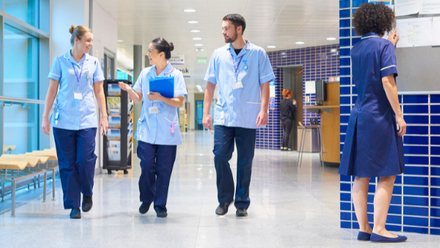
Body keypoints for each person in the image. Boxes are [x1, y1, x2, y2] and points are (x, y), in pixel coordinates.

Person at [338, 3, 407, 243]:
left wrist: (391, 46)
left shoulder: (356, 48)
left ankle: (365, 228)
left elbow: (369, 72)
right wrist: (399, 114)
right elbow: (387, 82)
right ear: (383, 22)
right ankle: (380, 228)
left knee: (361, 175)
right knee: (387, 173)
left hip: (359, 117)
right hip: (379, 117)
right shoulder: (384, 46)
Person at [203, 14, 274, 217]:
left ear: (239, 29)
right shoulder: (218, 54)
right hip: (223, 115)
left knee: (245, 160)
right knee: (219, 156)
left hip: (248, 115)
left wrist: (264, 109)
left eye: (227, 28)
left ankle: (242, 202)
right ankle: (225, 199)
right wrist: (206, 112)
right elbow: (210, 85)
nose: (223, 32)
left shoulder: (258, 53)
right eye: (223, 28)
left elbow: (265, 83)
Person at [42, 25, 108, 219]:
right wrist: (45, 116)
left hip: (87, 120)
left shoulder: (94, 62)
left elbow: (99, 91)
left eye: (92, 40)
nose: (91, 44)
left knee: (86, 160)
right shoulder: (60, 62)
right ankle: (73, 206)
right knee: (67, 164)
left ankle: (87, 193)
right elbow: (52, 91)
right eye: (88, 40)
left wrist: (104, 116)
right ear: (76, 40)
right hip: (63, 121)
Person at [118, 37, 187, 218]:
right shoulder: (145, 73)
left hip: (167, 130)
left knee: (164, 170)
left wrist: (160, 98)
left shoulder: (176, 75)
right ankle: (147, 198)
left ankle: (160, 204)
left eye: (151, 51)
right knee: (147, 164)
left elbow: (180, 102)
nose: (148, 54)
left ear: (161, 54)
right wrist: (129, 90)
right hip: (147, 129)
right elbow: (138, 98)